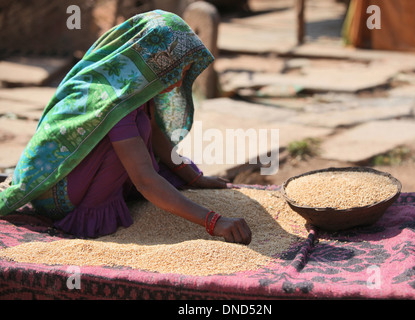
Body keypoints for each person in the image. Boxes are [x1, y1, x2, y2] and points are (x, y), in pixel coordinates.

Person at [0, 10, 252, 244]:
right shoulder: (115, 101)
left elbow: (155, 133)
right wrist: (214, 222)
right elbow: (145, 180)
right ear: (157, 63)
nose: (178, 83)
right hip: (57, 194)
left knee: (141, 132)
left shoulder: (134, 87)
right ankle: (93, 213)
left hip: (71, 178)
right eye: (178, 71)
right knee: (129, 144)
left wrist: (195, 178)